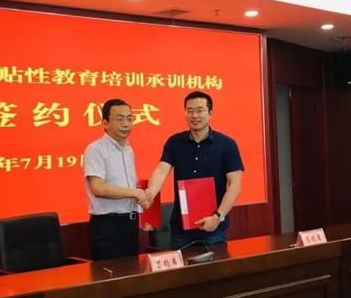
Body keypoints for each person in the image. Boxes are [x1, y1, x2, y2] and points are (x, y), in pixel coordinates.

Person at [148, 91, 243, 249]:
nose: (194, 115)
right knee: (181, 266)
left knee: (215, 265)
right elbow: (161, 171)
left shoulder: (227, 144)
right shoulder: (174, 142)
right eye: (190, 111)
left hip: (213, 227)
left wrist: (218, 217)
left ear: (210, 113)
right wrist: (149, 195)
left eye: (199, 110)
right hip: (180, 228)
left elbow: (235, 185)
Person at [84, 98, 152, 260]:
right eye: (120, 119)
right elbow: (99, 188)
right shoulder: (95, 149)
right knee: (111, 273)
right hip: (108, 226)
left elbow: (128, 186)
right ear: (105, 123)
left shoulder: (128, 149)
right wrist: (135, 193)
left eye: (129, 119)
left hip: (130, 224)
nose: (126, 124)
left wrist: (143, 214)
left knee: (132, 271)